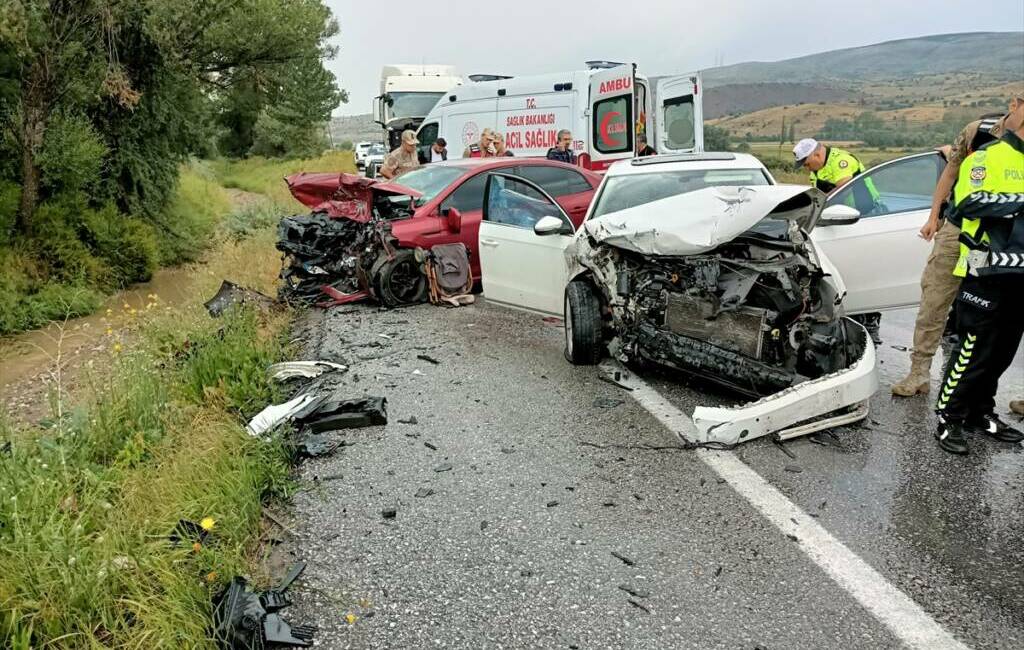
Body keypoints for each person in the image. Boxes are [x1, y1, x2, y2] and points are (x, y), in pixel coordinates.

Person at [892, 98, 1021, 396]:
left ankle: (982, 391)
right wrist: (933, 216)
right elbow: (951, 173)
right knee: (935, 299)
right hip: (960, 229)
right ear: (1015, 104)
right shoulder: (978, 131)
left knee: (1005, 313)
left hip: (1008, 240)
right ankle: (919, 373)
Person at [932, 117, 1024, 455]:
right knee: (973, 349)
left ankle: (980, 413)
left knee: (1002, 353)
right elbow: (967, 204)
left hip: (1021, 277)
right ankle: (949, 416)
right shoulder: (987, 156)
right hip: (984, 271)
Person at [793, 137, 884, 344]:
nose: (807, 169)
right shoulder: (817, 170)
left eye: (806, 163)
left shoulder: (841, 161)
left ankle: (871, 321)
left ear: (817, 154)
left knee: (866, 268)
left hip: (867, 216)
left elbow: (842, 189)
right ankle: (853, 312)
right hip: (843, 220)